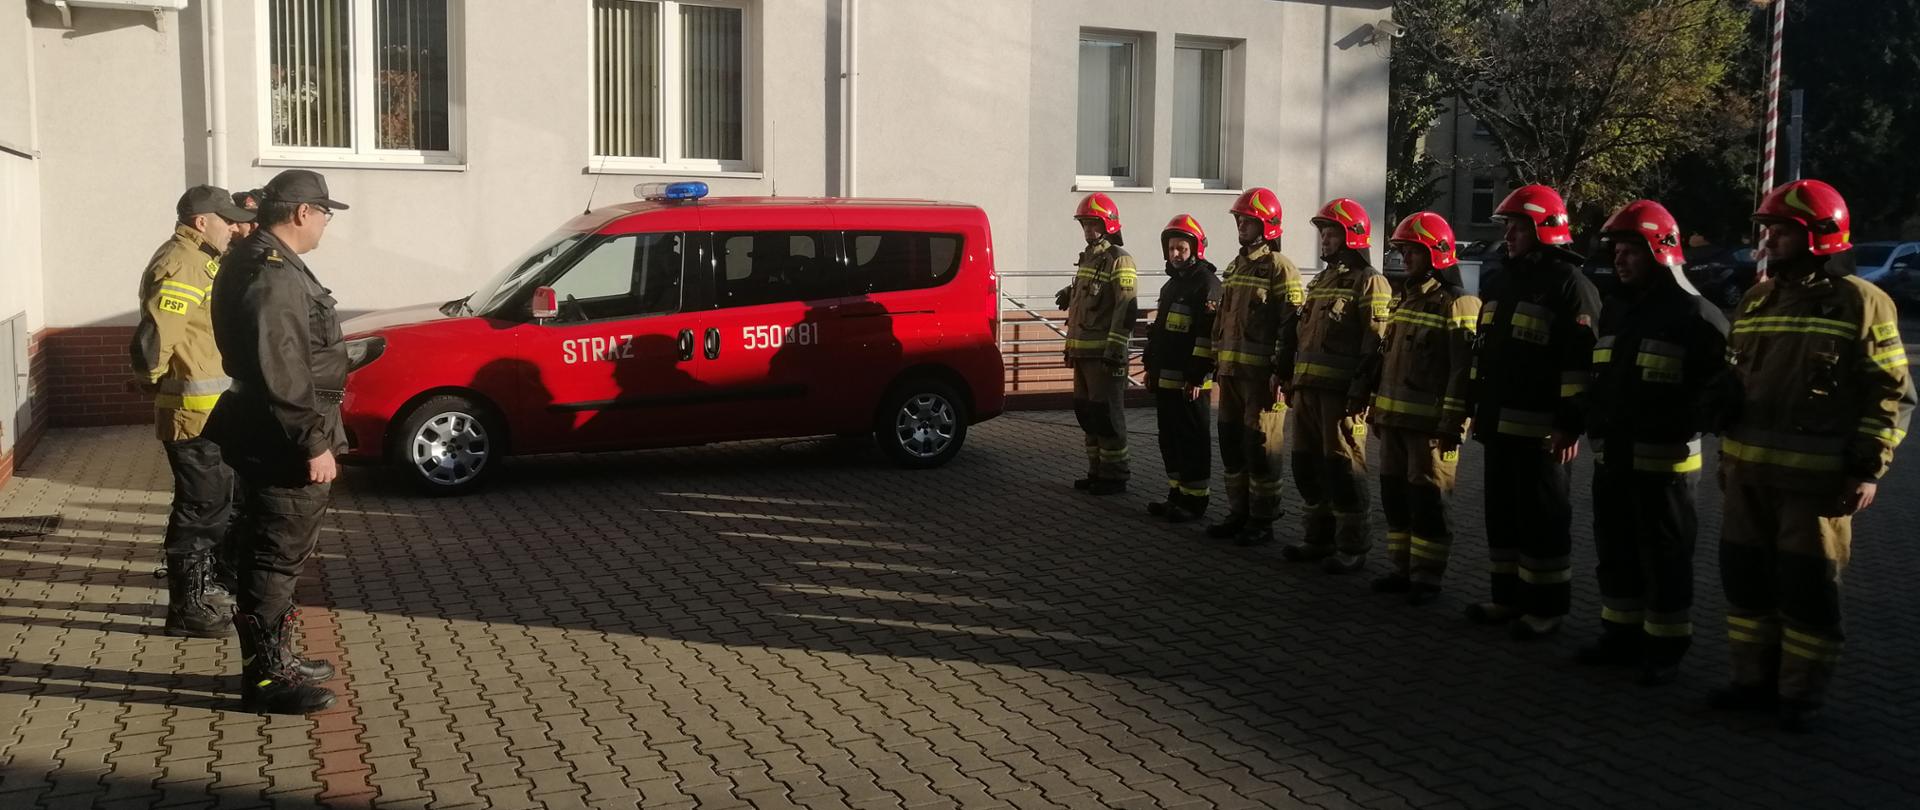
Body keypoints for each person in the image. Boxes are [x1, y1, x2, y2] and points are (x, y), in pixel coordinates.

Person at [1711, 179, 1914, 732]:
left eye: (1781, 231)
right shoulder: (1756, 299)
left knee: (1807, 591)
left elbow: (1889, 394)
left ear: (1821, 235)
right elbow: (1736, 379)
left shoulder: (1862, 302)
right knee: (1747, 585)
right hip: (1748, 474)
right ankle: (1750, 681)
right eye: (1769, 230)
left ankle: (1799, 696)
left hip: (1816, 485)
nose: (1769, 240)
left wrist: (1867, 468)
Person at [205, 169, 349, 714]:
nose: (327, 222)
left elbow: (292, 353)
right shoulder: (273, 272)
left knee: (274, 551)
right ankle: (267, 678)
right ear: (302, 213)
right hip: (283, 434)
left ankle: (278, 657)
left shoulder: (263, 258)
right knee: (275, 554)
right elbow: (282, 366)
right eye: (325, 212)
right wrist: (312, 441)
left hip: (270, 426)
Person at [1579, 200, 1728, 686]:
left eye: (1631, 250)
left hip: (1666, 467)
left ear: (1661, 252)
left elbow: (1718, 393)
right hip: (1615, 460)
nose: (1619, 259)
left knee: (1664, 559)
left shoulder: (1696, 316)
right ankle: (1619, 636)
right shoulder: (1618, 311)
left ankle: (1664, 648)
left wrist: (1676, 421)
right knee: (1616, 552)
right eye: (1617, 250)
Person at [1467, 184, 1602, 640]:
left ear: (1545, 230)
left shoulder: (1570, 285)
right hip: (1499, 426)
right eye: (1507, 227)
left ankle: (1546, 609)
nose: (1508, 236)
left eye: (1517, 227)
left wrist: (1569, 423)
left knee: (1543, 520)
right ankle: (1506, 599)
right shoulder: (1504, 281)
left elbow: (1579, 364)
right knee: (1502, 517)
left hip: (1543, 432)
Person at [129, 185, 253, 638]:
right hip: (192, 413)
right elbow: (158, 338)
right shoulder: (182, 262)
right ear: (202, 221)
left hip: (210, 412)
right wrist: (152, 380)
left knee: (213, 506)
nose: (234, 227)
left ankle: (206, 591)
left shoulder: (200, 259)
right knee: (200, 510)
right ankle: (187, 609)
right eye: (227, 220)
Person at [1360, 212, 1479, 605]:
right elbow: (1388, 359)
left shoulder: (1458, 303)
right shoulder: (1403, 298)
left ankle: (1427, 577)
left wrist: (1451, 424)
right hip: (1394, 421)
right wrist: (1377, 407)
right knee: (1395, 495)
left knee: (1427, 499)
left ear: (1436, 254)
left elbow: (1461, 371)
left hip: (1429, 427)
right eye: (1402, 250)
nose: (1404, 258)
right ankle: (1401, 568)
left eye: (1412, 251)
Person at [1283, 199, 1392, 572]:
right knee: (1307, 467)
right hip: (1308, 390)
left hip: (1340, 396)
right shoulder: (1322, 280)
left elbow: (1375, 341)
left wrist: (1362, 390)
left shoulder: (1370, 281)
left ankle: (1353, 546)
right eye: (1323, 233)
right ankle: (1317, 538)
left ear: (1352, 236)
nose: (1325, 240)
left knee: (1344, 469)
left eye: (1331, 233)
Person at [1207, 188, 1304, 546]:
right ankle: (1239, 512)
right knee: (1232, 444)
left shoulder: (1281, 268)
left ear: (1268, 226)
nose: (1241, 226)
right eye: (1239, 220)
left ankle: (1263, 519)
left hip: (1262, 379)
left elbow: (1290, 323)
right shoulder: (1235, 266)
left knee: (1261, 447)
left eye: (1247, 221)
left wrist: (1281, 369)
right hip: (1231, 374)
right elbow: (1224, 320)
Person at [1056, 193, 1139, 495]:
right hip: (1082, 353)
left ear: (1108, 225)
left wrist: (1115, 351)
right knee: (1087, 414)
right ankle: (1096, 471)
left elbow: (1125, 307)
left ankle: (1115, 475)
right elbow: (1088, 294)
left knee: (1107, 416)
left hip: (1104, 357)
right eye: (1085, 225)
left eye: (1093, 225)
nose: (1089, 231)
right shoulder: (1089, 258)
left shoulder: (1119, 259)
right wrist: (1070, 290)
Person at [1142, 215, 1222, 522]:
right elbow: (1159, 333)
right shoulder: (1171, 286)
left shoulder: (1207, 285)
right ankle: (1175, 495)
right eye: (1172, 248)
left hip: (1190, 382)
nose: (1176, 253)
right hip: (1166, 378)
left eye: (1182, 248)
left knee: (1192, 439)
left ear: (1196, 249)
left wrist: (1197, 375)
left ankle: (1195, 501)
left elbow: (1207, 336)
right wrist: (1151, 366)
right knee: (1170, 438)